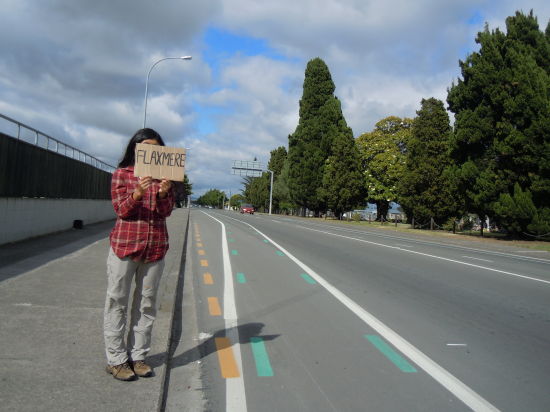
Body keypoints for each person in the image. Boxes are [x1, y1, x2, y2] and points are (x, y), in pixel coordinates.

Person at [104, 128, 174, 381]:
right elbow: (121, 210)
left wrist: (164, 193)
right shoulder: (122, 174)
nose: (150, 151)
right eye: (145, 146)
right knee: (117, 303)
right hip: (125, 247)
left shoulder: (165, 178)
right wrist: (137, 194)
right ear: (135, 149)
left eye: (156, 148)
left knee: (146, 305)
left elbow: (165, 212)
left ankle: (139, 357)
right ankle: (116, 359)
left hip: (155, 248)